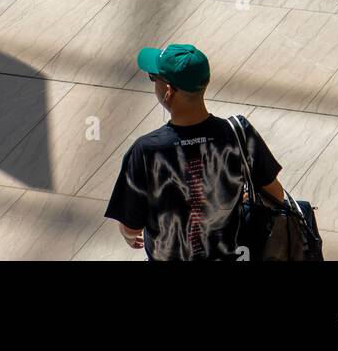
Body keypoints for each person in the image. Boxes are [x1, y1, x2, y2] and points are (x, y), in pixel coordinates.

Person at [105, 44, 285, 260]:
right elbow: (276, 195)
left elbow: (131, 228)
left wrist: (128, 235)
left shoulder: (146, 151)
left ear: (168, 91)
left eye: (154, 78)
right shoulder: (238, 133)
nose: (154, 84)